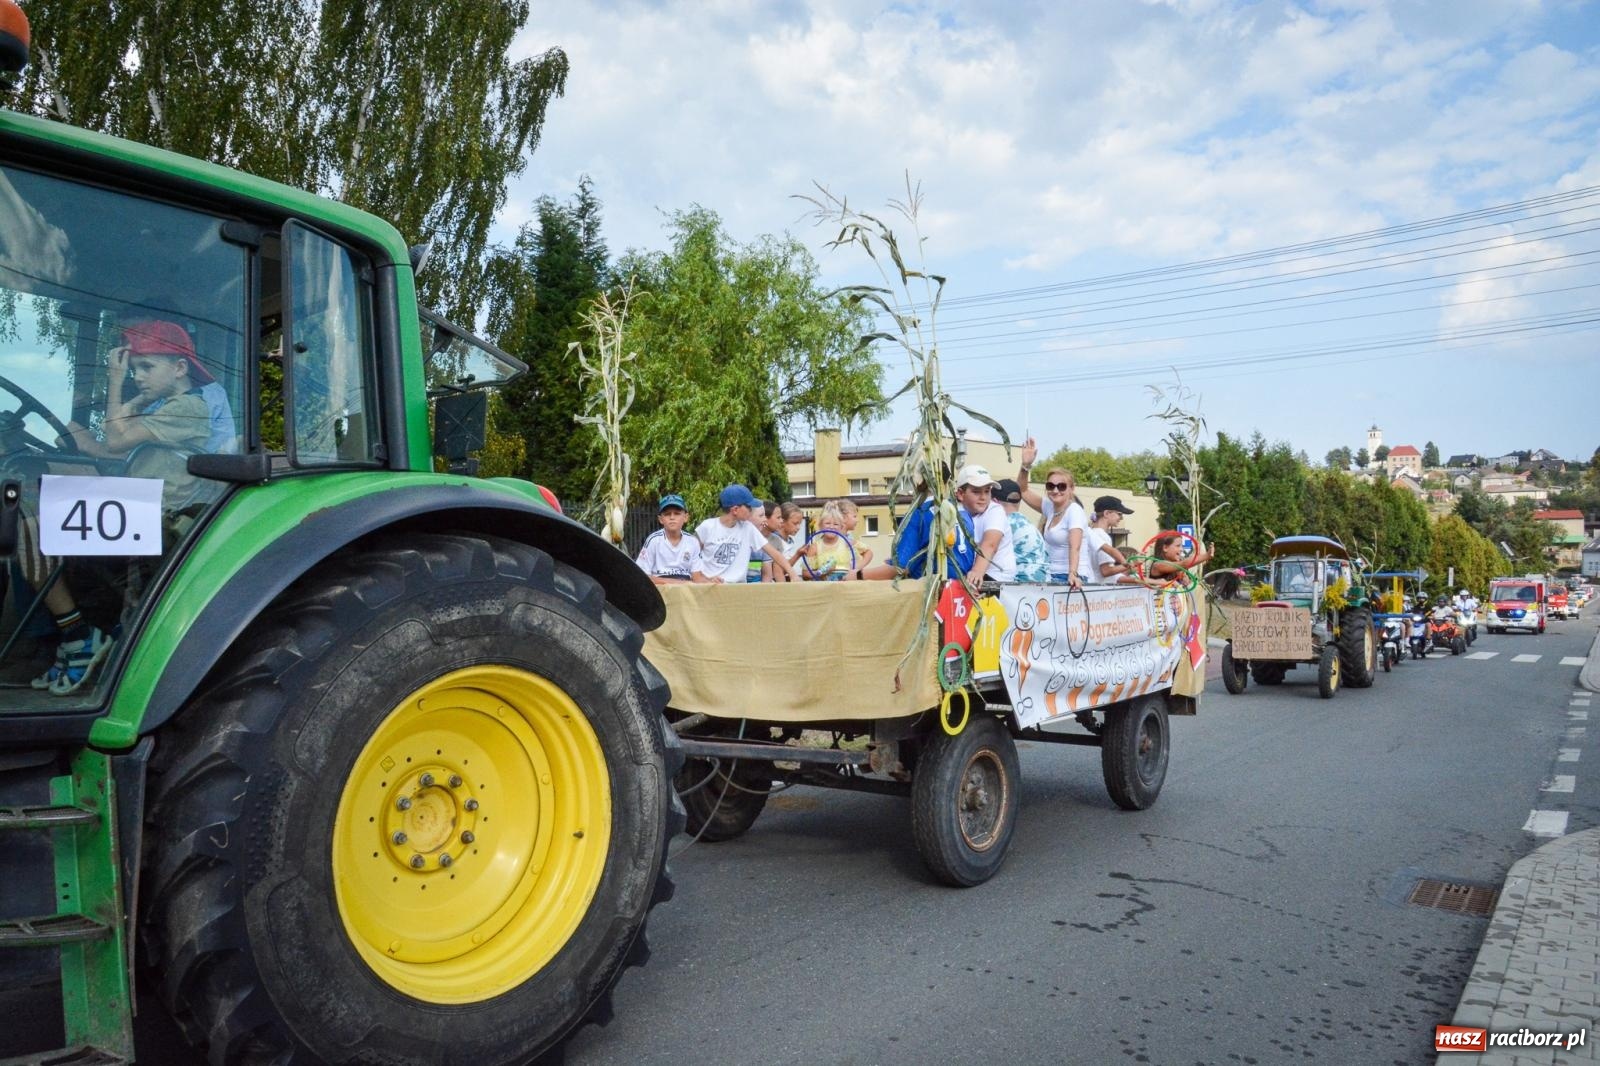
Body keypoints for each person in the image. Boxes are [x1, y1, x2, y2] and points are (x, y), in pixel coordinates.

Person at [27, 319, 212, 695]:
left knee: (30, 527)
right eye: (133, 370)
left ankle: (78, 636)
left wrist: (115, 384)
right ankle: (64, 636)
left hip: (160, 517)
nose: (138, 377)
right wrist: (76, 439)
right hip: (136, 507)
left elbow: (114, 441)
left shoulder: (188, 407)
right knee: (29, 506)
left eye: (147, 367)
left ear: (180, 368)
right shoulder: (166, 406)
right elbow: (110, 450)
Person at [1015, 438, 1087, 586]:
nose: (1055, 490)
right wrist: (1026, 465)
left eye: (1061, 486)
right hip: (1050, 574)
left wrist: (1072, 573)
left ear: (1071, 488)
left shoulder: (1074, 511)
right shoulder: (1050, 507)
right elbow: (1021, 490)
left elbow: (1075, 546)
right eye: (1050, 486)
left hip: (1070, 576)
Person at [692, 484, 797, 584]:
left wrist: (793, 574)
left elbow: (774, 553)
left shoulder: (748, 528)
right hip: (711, 586)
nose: (751, 510)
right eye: (748, 507)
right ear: (735, 510)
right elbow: (692, 555)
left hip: (739, 588)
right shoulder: (707, 527)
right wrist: (703, 579)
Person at [956, 464, 1015, 584]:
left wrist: (977, 571)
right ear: (961, 494)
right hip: (970, 574)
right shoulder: (955, 511)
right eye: (976, 492)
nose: (983, 497)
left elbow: (990, 544)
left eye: (987, 491)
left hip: (996, 577)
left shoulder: (995, 511)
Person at [634, 494, 708, 585]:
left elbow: (697, 578)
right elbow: (642, 575)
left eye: (677, 513)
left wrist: (711, 581)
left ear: (685, 517)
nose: (672, 517)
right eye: (667, 514)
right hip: (660, 592)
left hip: (686, 593)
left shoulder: (692, 542)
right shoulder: (654, 540)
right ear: (661, 519)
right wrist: (676, 583)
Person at [994, 478, 1048, 583]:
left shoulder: (1003, 525)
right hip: (1042, 585)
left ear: (995, 502)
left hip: (1018, 588)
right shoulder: (1027, 523)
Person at [1086, 495, 1136, 583]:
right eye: (1119, 514)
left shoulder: (1091, 533)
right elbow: (1106, 571)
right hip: (1097, 589)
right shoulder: (1102, 536)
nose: (1121, 518)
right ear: (1106, 513)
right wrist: (1132, 564)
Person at [1147, 533, 1213, 584]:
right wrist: (1206, 556)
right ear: (1165, 548)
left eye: (1182, 546)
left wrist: (1184, 578)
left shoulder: (1176, 567)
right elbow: (1184, 563)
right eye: (1178, 546)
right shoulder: (1158, 565)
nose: (1182, 549)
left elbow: (1187, 584)